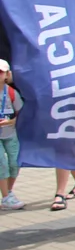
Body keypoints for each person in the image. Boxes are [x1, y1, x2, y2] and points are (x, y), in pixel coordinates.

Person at [0, 60, 23, 210]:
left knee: (15, 163)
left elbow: (21, 114)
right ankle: (6, 196)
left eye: (0, 72)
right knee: (2, 164)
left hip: (10, 134)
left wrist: (9, 122)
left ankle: (8, 193)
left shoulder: (11, 93)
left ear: (7, 75)